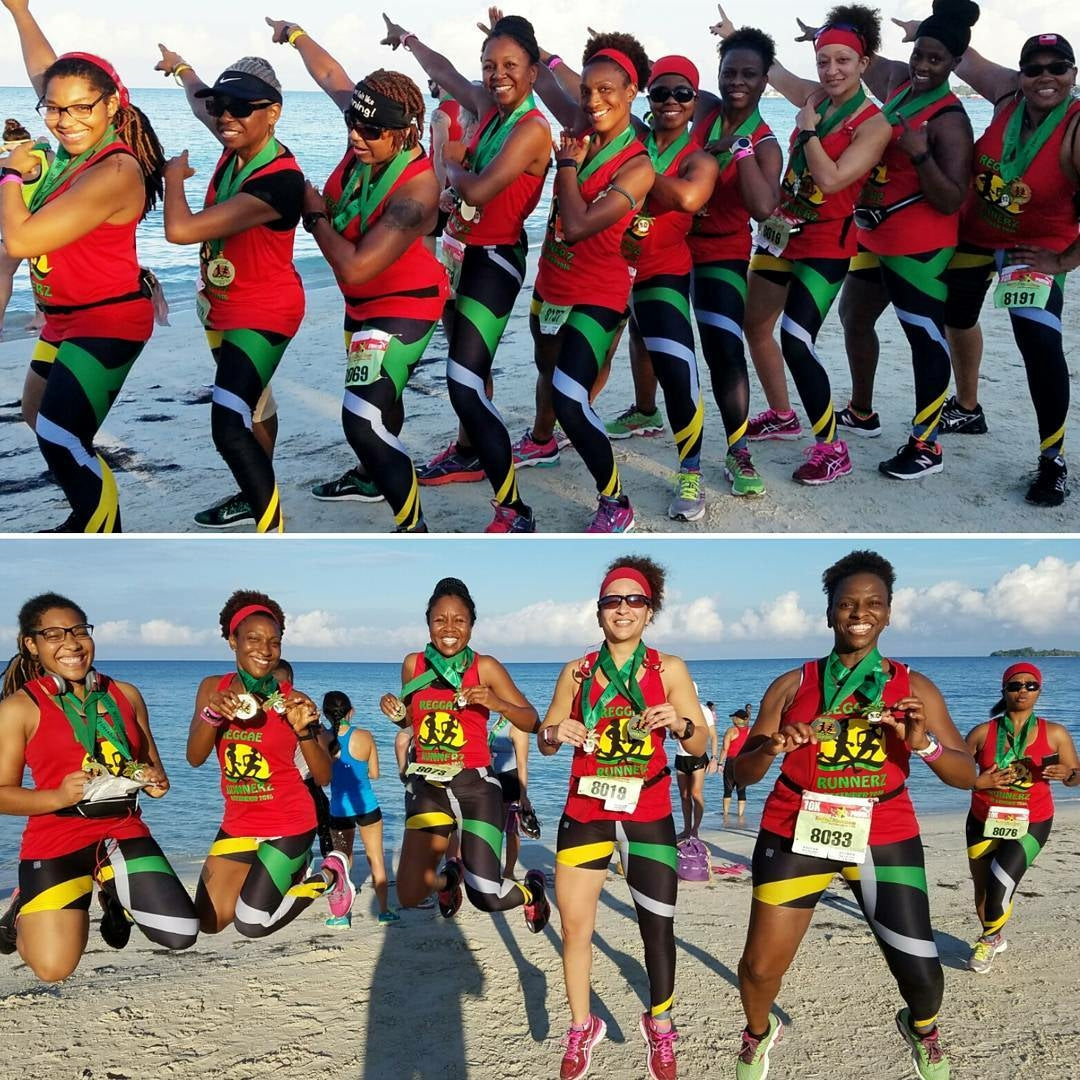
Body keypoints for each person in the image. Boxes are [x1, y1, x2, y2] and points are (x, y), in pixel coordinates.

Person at [731, 550, 974, 1080]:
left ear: (888, 613)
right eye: (846, 604)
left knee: (924, 976)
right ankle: (757, 1034)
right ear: (828, 614)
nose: (858, 612)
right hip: (796, 825)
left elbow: (967, 774)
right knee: (760, 966)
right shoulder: (792, 684)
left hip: (883, 829)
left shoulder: (914, 687)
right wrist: (771, 747)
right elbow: (739, 773)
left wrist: (922, 742)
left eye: (872, 603)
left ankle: (923, 1029)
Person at [265, 19, 447, 532]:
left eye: (370, 132)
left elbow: (355, 263)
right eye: (353, 124)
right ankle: (372, 478)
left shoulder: (418, 190)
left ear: (405, 132)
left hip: (404, 305)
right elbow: (330, 74)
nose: (355, 136)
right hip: (361, 306)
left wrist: (314, 212)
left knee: (360, 419)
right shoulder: (369, 129)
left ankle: (413, 527)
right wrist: (297, 35)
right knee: (381, 404)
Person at [538, 555, 707, 1080]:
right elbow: (545, 738)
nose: (623, 609)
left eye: (635, 600)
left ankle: (659, 1027)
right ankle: (581, 1025)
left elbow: (700, 744)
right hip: (585, 812)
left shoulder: (668, 668)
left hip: (648, 811)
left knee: (657, 927)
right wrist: (554, 733)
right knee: (574, 929)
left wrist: (679, 722)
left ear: (650, 610)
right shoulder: (578, 671)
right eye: (613, 600)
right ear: (599, 612)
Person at [381, 14, 551, 532]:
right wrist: (409, 39)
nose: (496, 74)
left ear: (533, 72)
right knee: (466, 372)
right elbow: (447, 71)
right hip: (460, 251)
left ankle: (514, 509)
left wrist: (447, 161)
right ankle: (470, 451)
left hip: (496, 259)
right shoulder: (490, 109)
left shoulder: (532, 128)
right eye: (489, 65)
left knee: (463, 381)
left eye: (509, 66)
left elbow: (478, 191)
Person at [0, 0, 165, 532]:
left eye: (79, 108)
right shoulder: (70, 149)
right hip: (63, 319)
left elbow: (21, 240)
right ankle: (89, 515)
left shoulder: (115, 168)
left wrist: (9, 176)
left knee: (61, 433)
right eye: (52, 109)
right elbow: (44, 72)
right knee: (38, 417)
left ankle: (99, 530)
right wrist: (19, 11)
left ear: (111, 105)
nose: (64, 120)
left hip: (107, 320)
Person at [713, 5, 892, 485]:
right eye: (824, 61)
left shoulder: (875, 125)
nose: (831, 71)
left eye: (843, 62)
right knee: (754, 324)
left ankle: (832, 447)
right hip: (780, 233)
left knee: (796, 337)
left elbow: (832, 180)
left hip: (826, 245)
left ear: (864, 64)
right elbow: (772, 71)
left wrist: (808, 128)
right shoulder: (817, 95)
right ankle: (782, 414)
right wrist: (738, 36)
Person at [0, 593, 198, 981]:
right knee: (53, 969)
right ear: (31, 644)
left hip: (120, 830)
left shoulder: (125, 695)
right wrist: (57, 796)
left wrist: (155, 782)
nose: (71, 643)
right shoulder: (19, 709)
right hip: (56, 836)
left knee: (181, 933)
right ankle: (22, 908)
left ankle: (110, 891)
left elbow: (152, 768)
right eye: (54, 634)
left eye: (79, 631)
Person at [156, 49, 304, 533]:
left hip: (263, 312)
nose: (225, 117)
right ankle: (255, 488)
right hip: (221, 306)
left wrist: (172, 177)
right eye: (222, 105)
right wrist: (182, 70)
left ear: (273, 112)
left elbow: (181, 230)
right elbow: (203, 105)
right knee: (257, 403)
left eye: (240, 107)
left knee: (227, 424)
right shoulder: (236, 143)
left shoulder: (279, 180)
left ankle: (271, 526)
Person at [830, 0, 977, 481]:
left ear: (956, 63)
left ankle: (926, 444)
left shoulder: (951, 119)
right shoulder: (899, 88)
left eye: (936, 60)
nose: (922, 66)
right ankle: (863, 411)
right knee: (854, 316)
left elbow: (952, 198)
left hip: (920, 245)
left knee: (924, 338)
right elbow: (857, 64)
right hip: (875, 236)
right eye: (919, 55)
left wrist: (920, 157)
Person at [935, 31, 1080, 506]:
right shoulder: (1006, 96)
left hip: (1035, 248)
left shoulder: (1075, 128)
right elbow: (966, 58)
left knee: (1038, 341)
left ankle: (1052, 458)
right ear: (1021, 74)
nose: (1045, 77)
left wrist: (1063, 261)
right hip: (976, 234)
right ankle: (968, 408)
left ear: (1072, 75)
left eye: (1056, 68)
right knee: (954, 315)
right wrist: (928, 28)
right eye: (1034, 68)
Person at [522, 34, 656, 531]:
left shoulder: (638, 166)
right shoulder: (580, 126)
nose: (594, 101)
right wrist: (528, 46)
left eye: (607, 91)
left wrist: (568, 163)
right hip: (550, 283)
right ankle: (541, 444)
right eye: (588, 92)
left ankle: (616, 500)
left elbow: (578, 225)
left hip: (599, 292)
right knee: (545, 370)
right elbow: (554, 87)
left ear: (630, 93)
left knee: (570, 398)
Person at [378, 577, 550, 927]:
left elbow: (533, 721)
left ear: (472, 624)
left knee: (487, 896)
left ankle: (532, 888)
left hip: (476, 788)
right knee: (410, 893)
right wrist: (398, 715)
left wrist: (496, 701)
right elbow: (413, 721)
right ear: (428, 623)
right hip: (428, 789)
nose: (449, 629)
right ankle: (450, 879)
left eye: (459, 620)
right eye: (440, 620)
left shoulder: (484, 667)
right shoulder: (414, 665)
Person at [187, 591, 355, 938]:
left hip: (290, 823)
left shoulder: (294, 701)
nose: (265, 649)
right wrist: (213, 714)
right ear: (231, 640)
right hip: (239, 823)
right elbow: (195, 757)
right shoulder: (212, 689)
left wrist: (304, 731)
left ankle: (328, 875)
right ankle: (279, 873)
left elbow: (322, 777)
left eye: (274, 642)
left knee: (252, 923)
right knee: (209, 921)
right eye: (253, 639)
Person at [688, 25, 782, 498]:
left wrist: (739, 150)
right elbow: (654, 85)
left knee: (723, 350)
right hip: (672, 243)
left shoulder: (765, 144)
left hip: (722, 252)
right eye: (729, 72)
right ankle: (645, 410)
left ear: (766, 79)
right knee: (645, 338)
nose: (736, 82)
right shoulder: (703, 108)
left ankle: (738, 450)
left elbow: (764, 207)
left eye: (749, 74)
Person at [964, 663, 1080, 972]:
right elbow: (955, 773)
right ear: (1004, 691)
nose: (1023, 691)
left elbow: (1076, 775)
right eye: (1015, 685)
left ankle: (987, 942)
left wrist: (1067, 774)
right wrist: (979, 782)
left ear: (1039, 691)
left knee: (1001, 882)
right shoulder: (982, 732)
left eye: (1031, 685)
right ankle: (995, 935)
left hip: (1032, 821)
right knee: (983, 887)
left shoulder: (1054, 733)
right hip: (982, 820)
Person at [322, 689, 398, 926]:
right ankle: (384, 912)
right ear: (351, 711)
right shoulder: (365, 735)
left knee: (342, 862)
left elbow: (321, 779)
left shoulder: (322, 739)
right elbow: (374, 774)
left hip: (339, 810)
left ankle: (341, 916)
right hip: (368, 807)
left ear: (325, 713)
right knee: (376, 858)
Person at [0, 118, 50, 337]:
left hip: (15, 231)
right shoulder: (48, 157)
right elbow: (45, 140)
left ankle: (0, 323)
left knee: (3, 274)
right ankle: (41, 317)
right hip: (44, 226)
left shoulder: (6, 163)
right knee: (38, 274)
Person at [488, 713, 536, 879]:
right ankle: (493, 868)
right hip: (495, 780)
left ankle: (508, 872)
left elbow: (523, 764)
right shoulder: (498, 721)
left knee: (510, 830)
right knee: (495, 828)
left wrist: (523, 794)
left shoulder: (517, 726)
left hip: (511, 781)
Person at [675, 689, 716, 838]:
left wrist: (714, 758)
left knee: (695, 793)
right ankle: (686, 829)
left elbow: (713, 735)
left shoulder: (704, 711)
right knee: (684, 795)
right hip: (681, 755)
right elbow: (673, 734)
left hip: (698, 756)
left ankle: (695, 829)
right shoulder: (677, 709)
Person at [718, 707, 751, 818]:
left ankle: (726, 814)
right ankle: (740, 815)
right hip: (745, 761)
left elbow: (725, 748)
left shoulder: (731, 730)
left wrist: (719, 763)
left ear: (737, 719)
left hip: (732, 761)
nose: (732, 719)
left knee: (728, 788)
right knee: (741, 789)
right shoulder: (750, 731)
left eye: (734, 717)